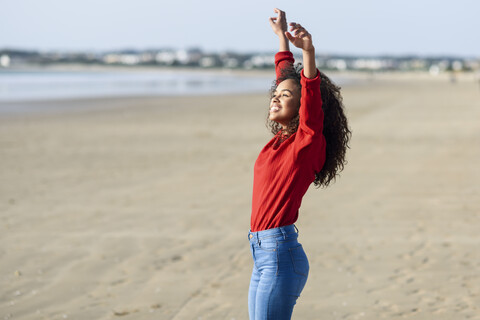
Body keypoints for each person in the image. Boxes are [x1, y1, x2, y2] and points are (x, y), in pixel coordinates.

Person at [247, 8, 351, 320]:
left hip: (279, 254)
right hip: (263, 253)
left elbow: (308, 93)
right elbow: (285, 77)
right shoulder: (282, 140)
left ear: (302, 105)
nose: (275, 98)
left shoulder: (305, 143)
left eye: (285, 96)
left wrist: (308, 52)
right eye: (274, 95)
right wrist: (281, 39)